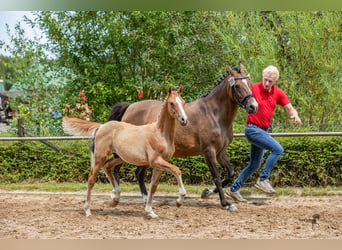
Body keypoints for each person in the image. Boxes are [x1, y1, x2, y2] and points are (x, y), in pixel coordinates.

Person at [227, 65, 301, 202]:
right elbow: (238, 94)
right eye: (265, 79)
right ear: (262, 77)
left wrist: (295, 115)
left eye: (270, 81)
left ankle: (234, 188)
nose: (267, 83)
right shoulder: (253, 88)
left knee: (254, 164)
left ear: (275, 81)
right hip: (252, 129)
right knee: (278, 149)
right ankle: (263, 179)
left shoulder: (278, 93)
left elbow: (290, 108)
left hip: (262, 131)